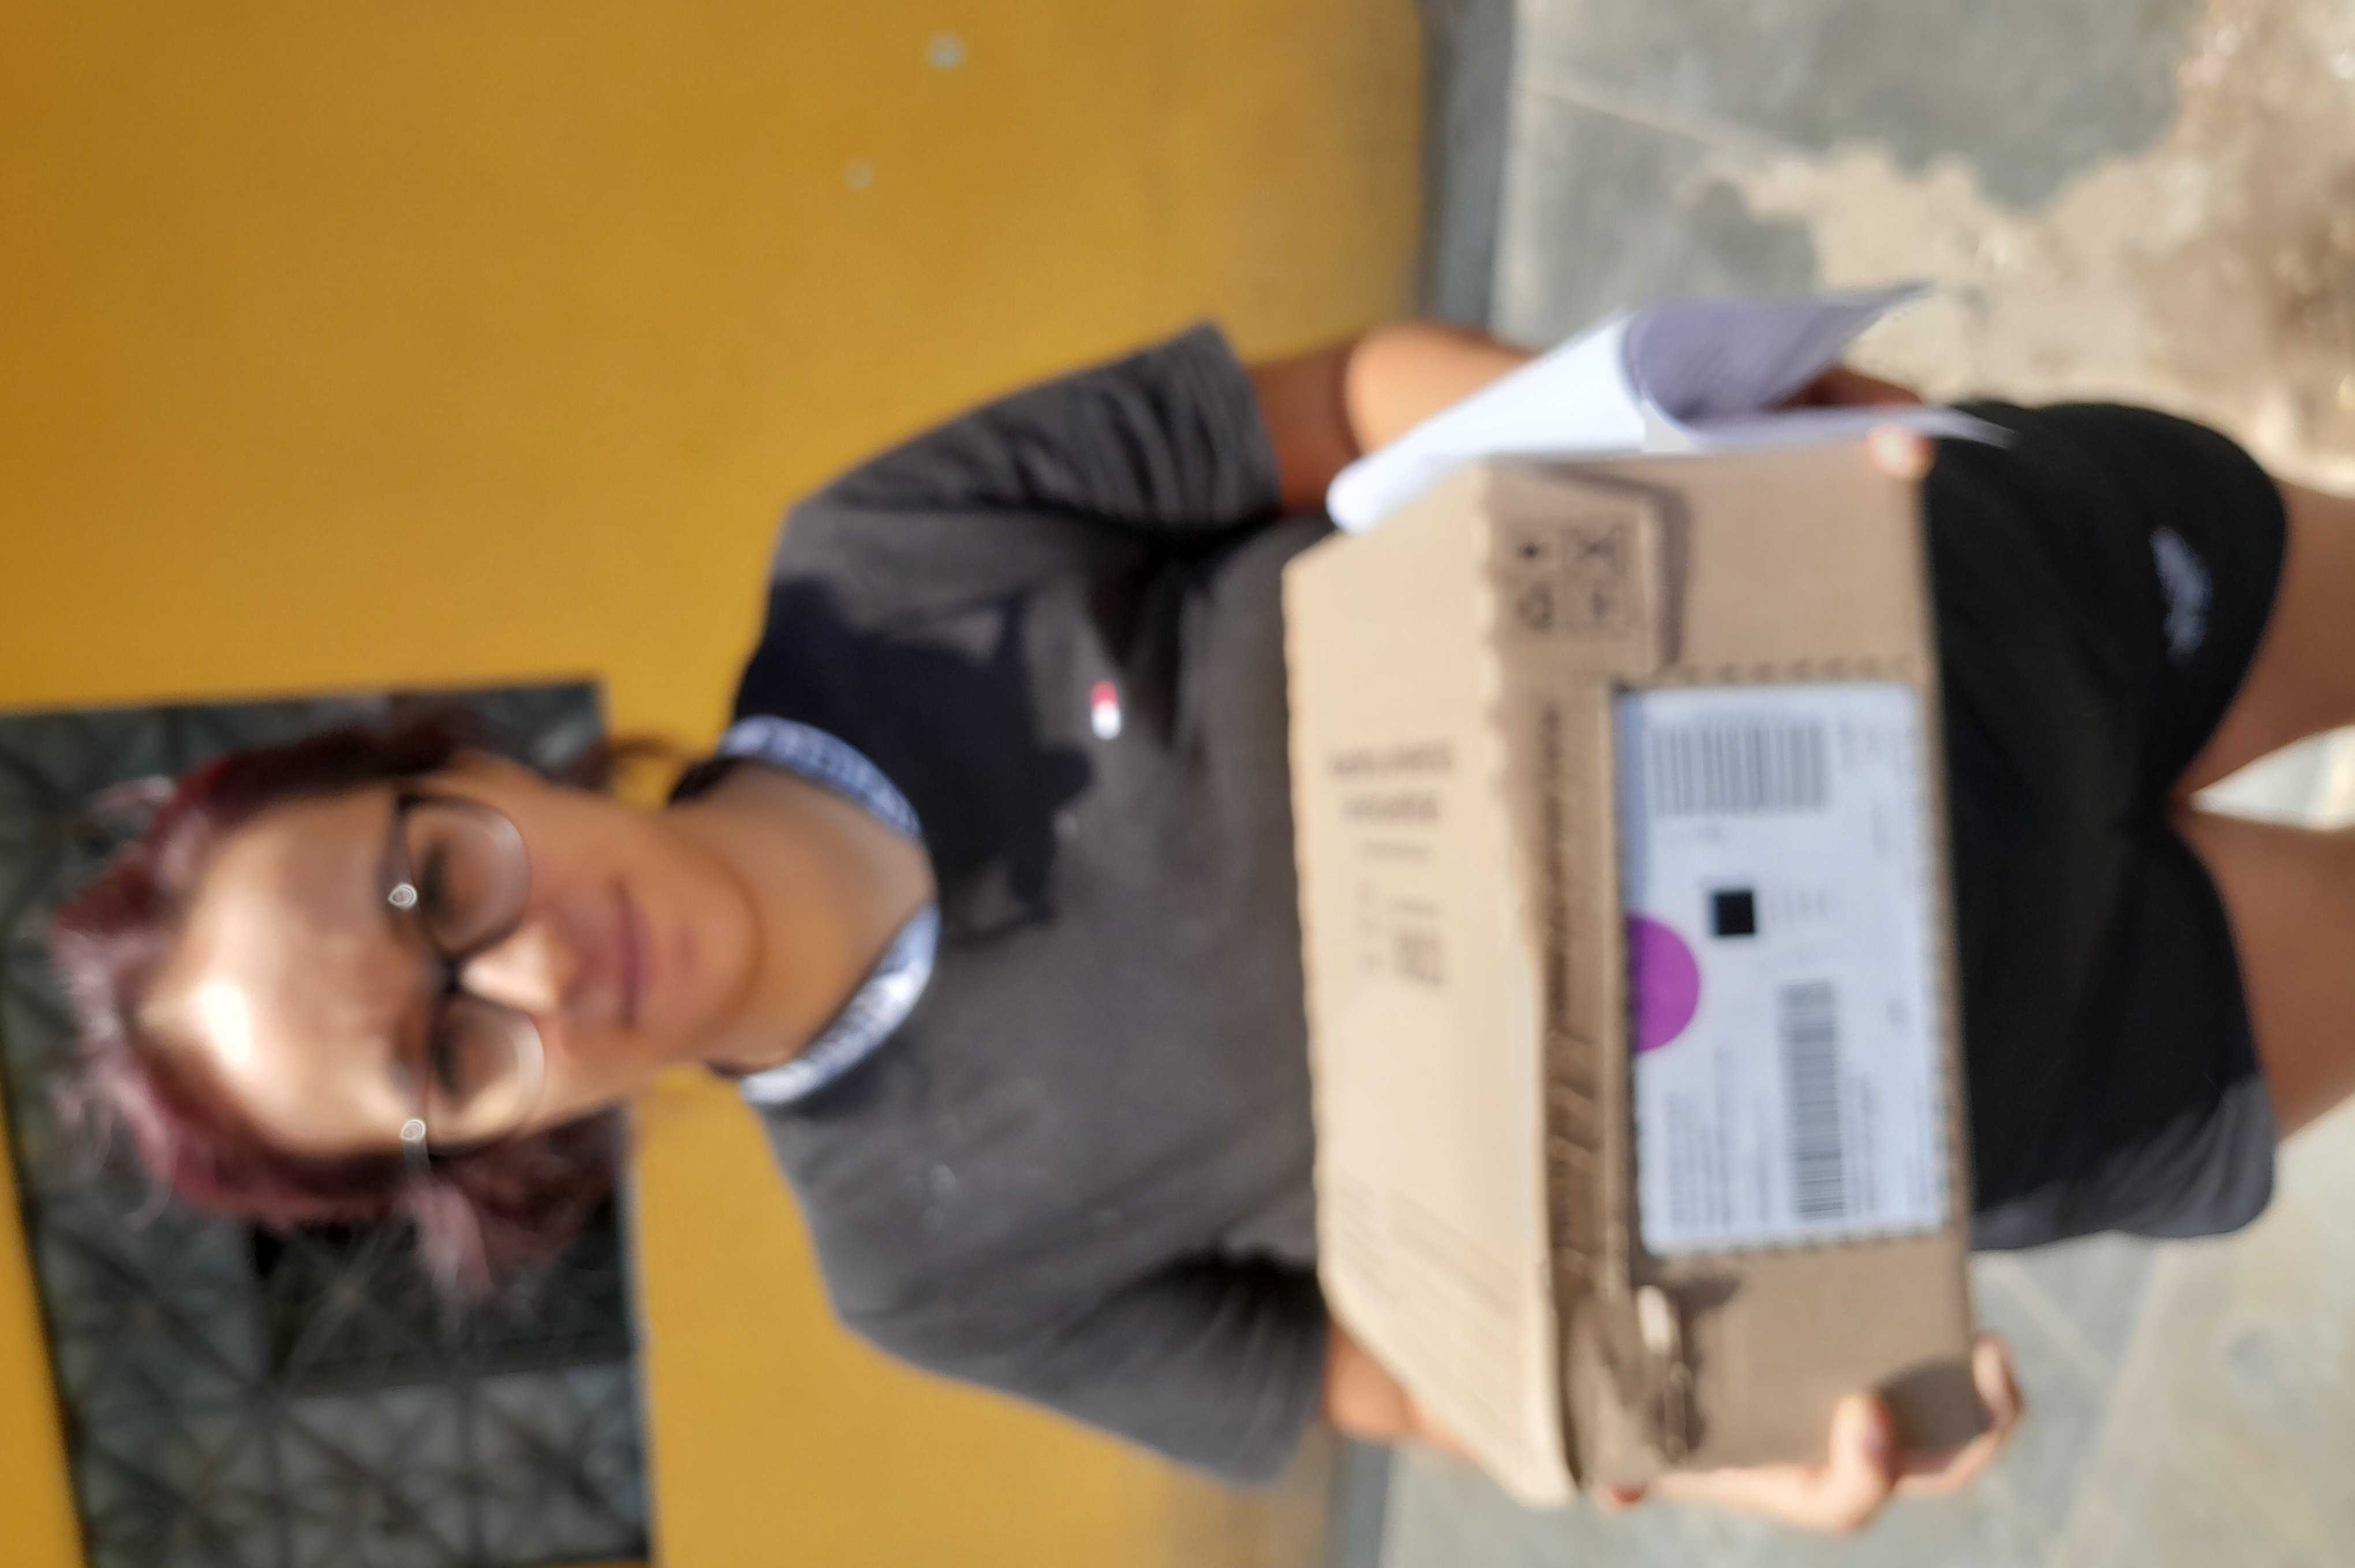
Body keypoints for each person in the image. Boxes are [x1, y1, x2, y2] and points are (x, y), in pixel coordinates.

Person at [50, 318, 2355, 1532]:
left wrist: (1696, 472)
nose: (540, 971)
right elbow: (1408, 1378)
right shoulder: (925, 1260)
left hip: (1969, 611)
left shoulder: (884, 565)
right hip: (2007, 1066)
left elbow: (1347, 405)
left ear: (456, 756)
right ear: (485, 1156)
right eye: (445, 1052)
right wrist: (1747, 1450)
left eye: (432, 884)